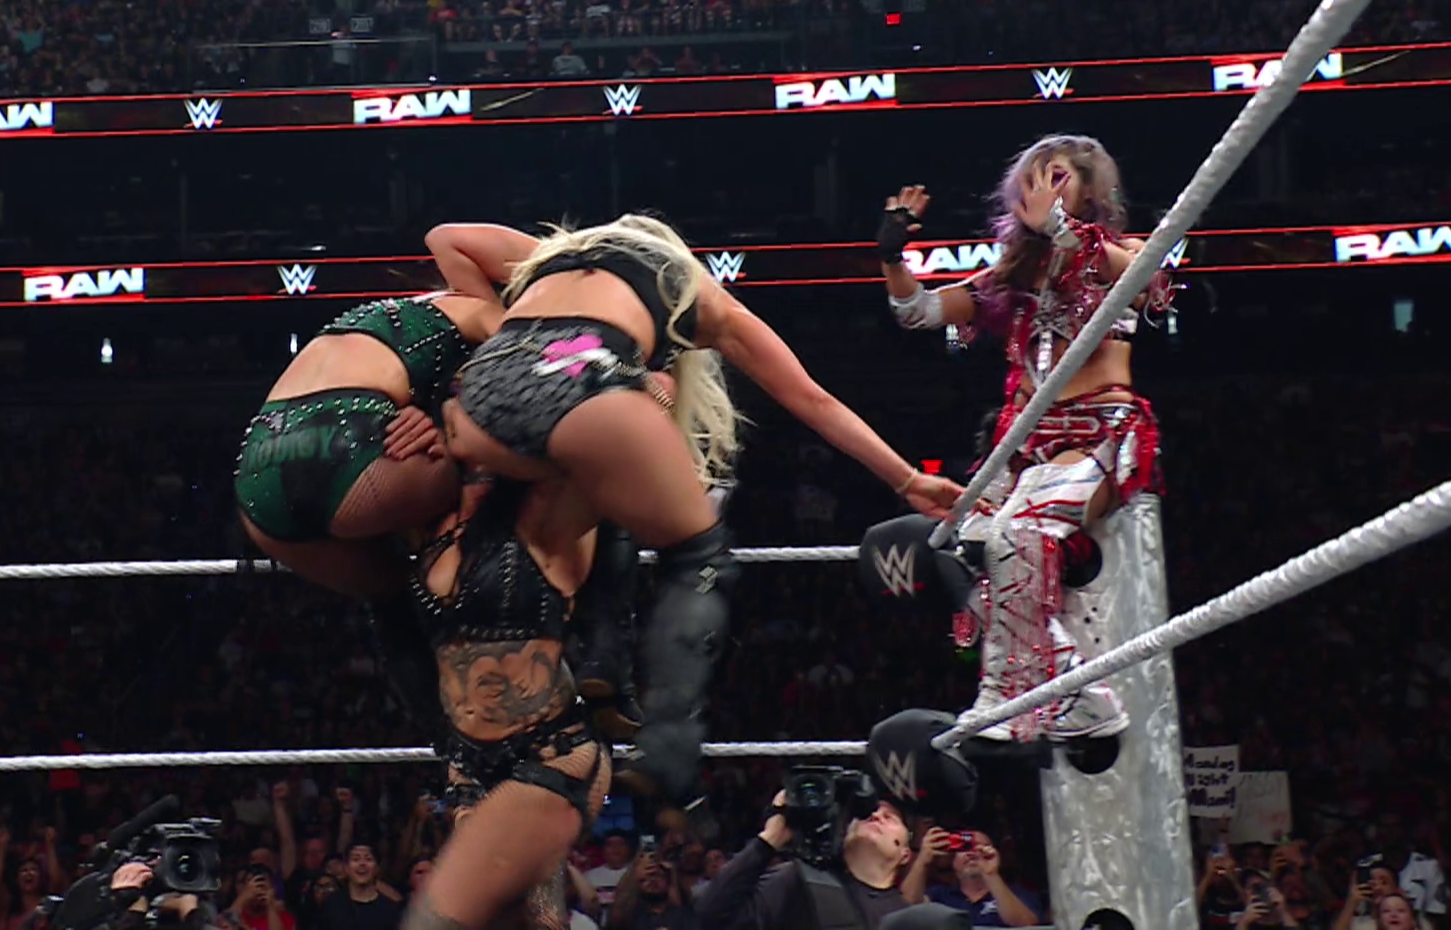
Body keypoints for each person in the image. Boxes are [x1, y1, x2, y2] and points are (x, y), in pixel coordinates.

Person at [436, 213, 970, 798]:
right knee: (697, 553)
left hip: (477, 400)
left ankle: (571, 672)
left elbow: (446, 238)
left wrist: (503, 336)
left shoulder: (557, 257)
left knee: (573, 500)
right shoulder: (696, 293)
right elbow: (812, 400)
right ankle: (665, 748)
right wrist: (906, 478)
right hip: (580, 387)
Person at [874, 135, 1173, 741]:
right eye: (1034, 179)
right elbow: (919, 312)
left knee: (1014, 535)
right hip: (1025, 448)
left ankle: (1012, 697)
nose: (1043, 189)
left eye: (1057, 177)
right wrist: (892, 256)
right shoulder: (1012, 276)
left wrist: (1059, 227)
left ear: (1089, 188)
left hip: (1097, 431)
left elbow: (1152, 284)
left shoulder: (1122, 253)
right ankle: (1078, 693)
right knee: (961, 549)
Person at [235, 226, 530, 730]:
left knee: (391, 597)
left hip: (258, 469)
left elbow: (443, 242)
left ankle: (440, 736)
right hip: (351, 442)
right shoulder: (487, 315)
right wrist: (442, 420)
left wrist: (430, 411)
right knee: (532, 460)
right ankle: (522, 679)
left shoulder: (384, 315)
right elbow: (524, 384)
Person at [402, 463, 628, 930]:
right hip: (468, 760)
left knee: (449, 920)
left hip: (552, 750)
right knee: (511, 916)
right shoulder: (427, 524)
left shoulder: (546, 516)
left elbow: (605, 475)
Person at [692, 789, 913, 930]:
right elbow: (710, 916)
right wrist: (770, 839)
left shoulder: (908, 916)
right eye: (866, 814)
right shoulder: (799, 880)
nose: (875, 815)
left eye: (890, 818)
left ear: (905, 854)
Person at [900, 829, 1041, 927]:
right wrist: (923, 859)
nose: (971, 853)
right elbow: (905, 907)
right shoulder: (939, 895)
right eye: (964, 847)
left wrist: (991, 874)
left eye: (981, 848)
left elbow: (1027, 926)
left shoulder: (1016, 894)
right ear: (953, 861)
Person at [320, 845, 403, 930]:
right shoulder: (331, 904)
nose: (362, 864)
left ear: (377, 867)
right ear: (346, 867)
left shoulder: (390, 910)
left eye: (368, 859)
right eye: (356, 859)